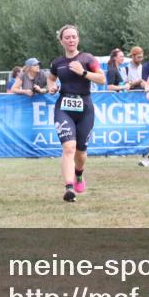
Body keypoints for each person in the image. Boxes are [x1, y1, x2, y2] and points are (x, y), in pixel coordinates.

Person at [46, 25, 105, 202]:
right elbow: (50, 77)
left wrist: (84, 72)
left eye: (74, 37)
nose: (71, 40)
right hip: (64, 107)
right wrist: (51, 86)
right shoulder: (57, 63)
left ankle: (79, 174)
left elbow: (102, 79)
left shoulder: (87, 58)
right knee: (68, 147)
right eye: (67, 37)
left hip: (85, 107)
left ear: (78, 39)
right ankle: (69, 187)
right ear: (61, 41)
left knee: (81, 153)